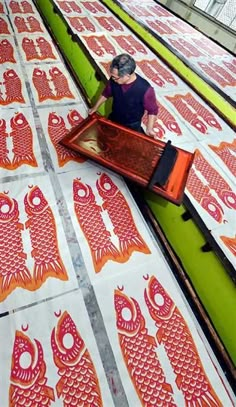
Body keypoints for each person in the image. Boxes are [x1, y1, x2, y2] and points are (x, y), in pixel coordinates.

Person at [89, 54, 158, 137]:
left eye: (115, 77)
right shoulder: (114, 80)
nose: (113, 79)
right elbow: (106, 94)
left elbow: (152, 110)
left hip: (131, 125)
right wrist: (95, 108)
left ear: (127, 76)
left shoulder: (145, 89)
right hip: (114, 118)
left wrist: (149, 128)